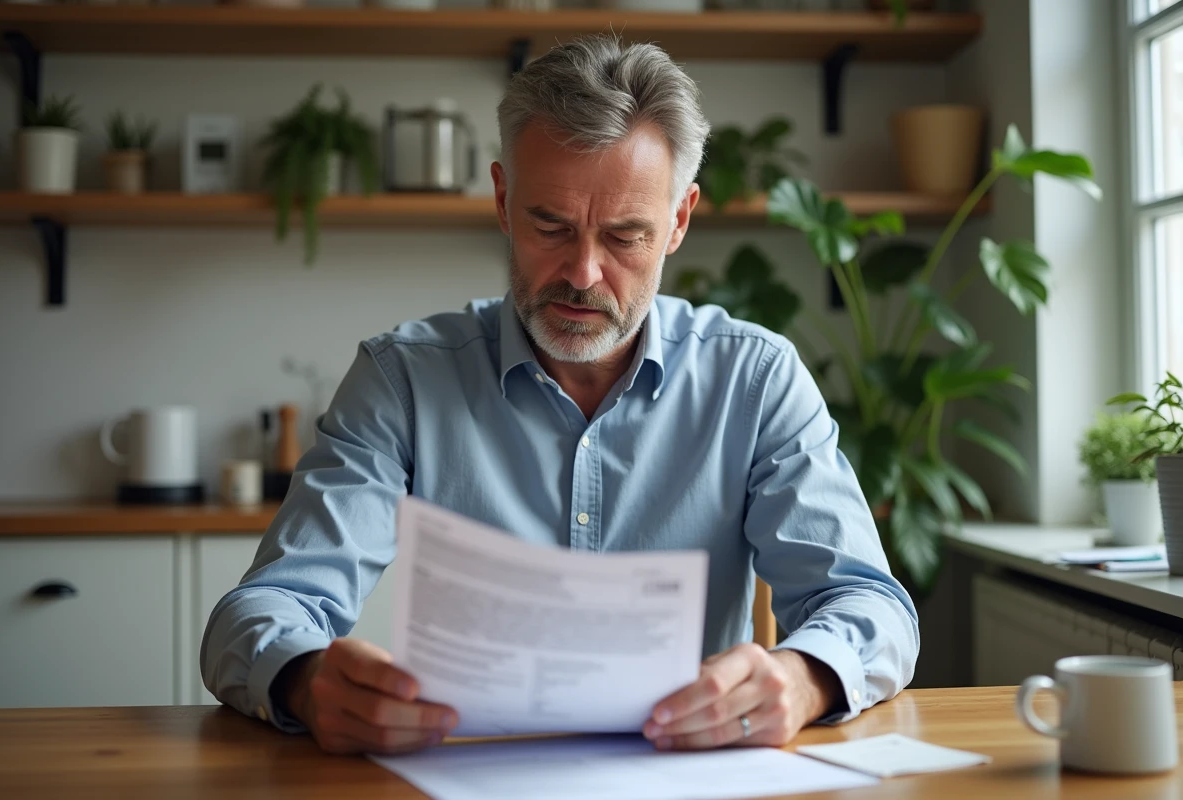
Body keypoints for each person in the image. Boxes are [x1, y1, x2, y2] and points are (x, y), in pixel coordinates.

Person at [201, 33, 919, 757]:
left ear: (679, 221)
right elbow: (261, 610)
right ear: (505, 201)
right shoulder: (404, 380)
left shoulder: (756, 380)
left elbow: (869, 606)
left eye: (625, 236)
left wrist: (803, 679)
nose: (582, 273)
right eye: (551, 225)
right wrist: (302, 678)